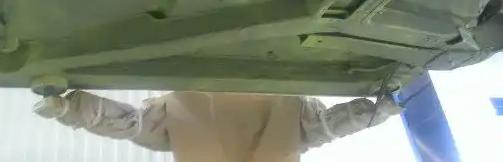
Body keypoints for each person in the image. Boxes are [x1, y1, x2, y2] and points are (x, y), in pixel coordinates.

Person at [34, 89, 402, 161]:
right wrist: (374, 113)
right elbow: (325, 128)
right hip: (264, 78)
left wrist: (375, 113)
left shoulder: (191, 146)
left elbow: (326, 128)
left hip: (239, 77)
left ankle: (66, 107)